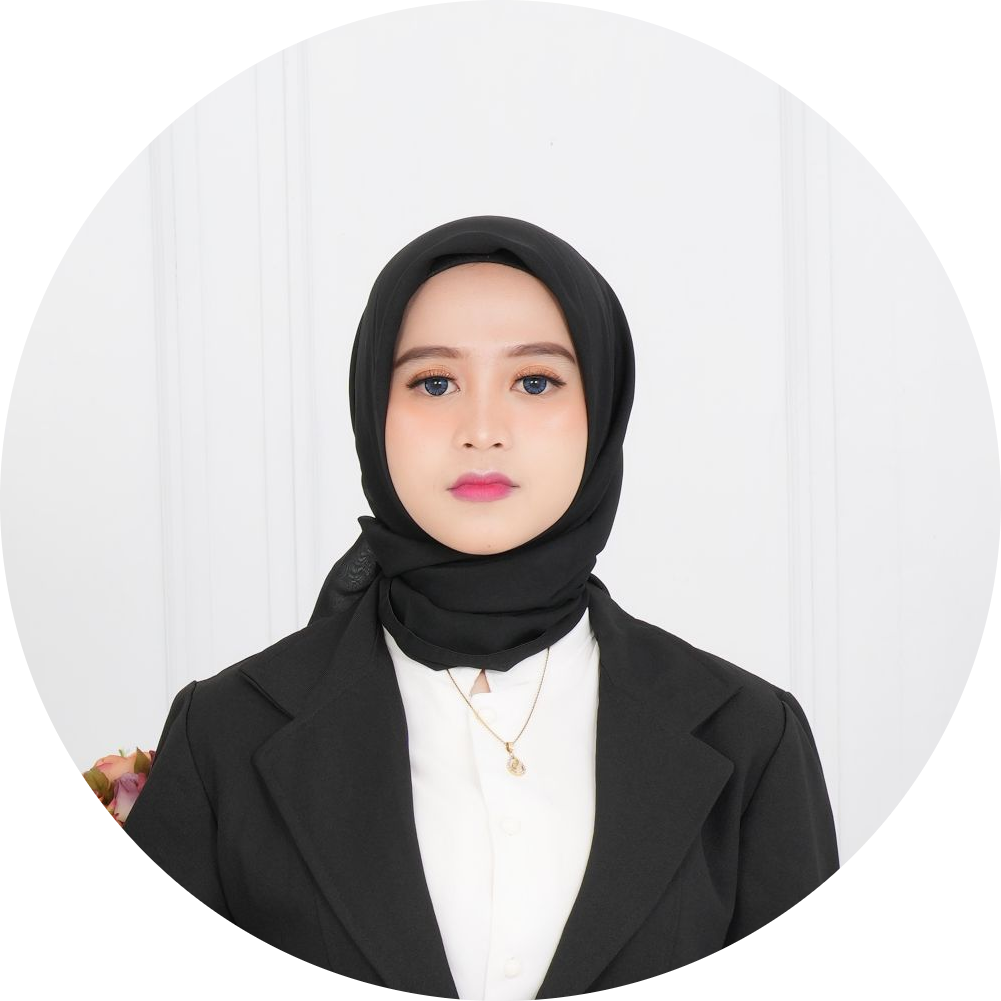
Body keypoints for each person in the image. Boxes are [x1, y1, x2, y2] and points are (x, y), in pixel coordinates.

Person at [123, 214, 840, 995]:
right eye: (434, 382)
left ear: (601, 410)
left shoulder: (748, 736)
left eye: (534, 381)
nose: (482, 430)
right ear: (372, 410)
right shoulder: (223, 733)